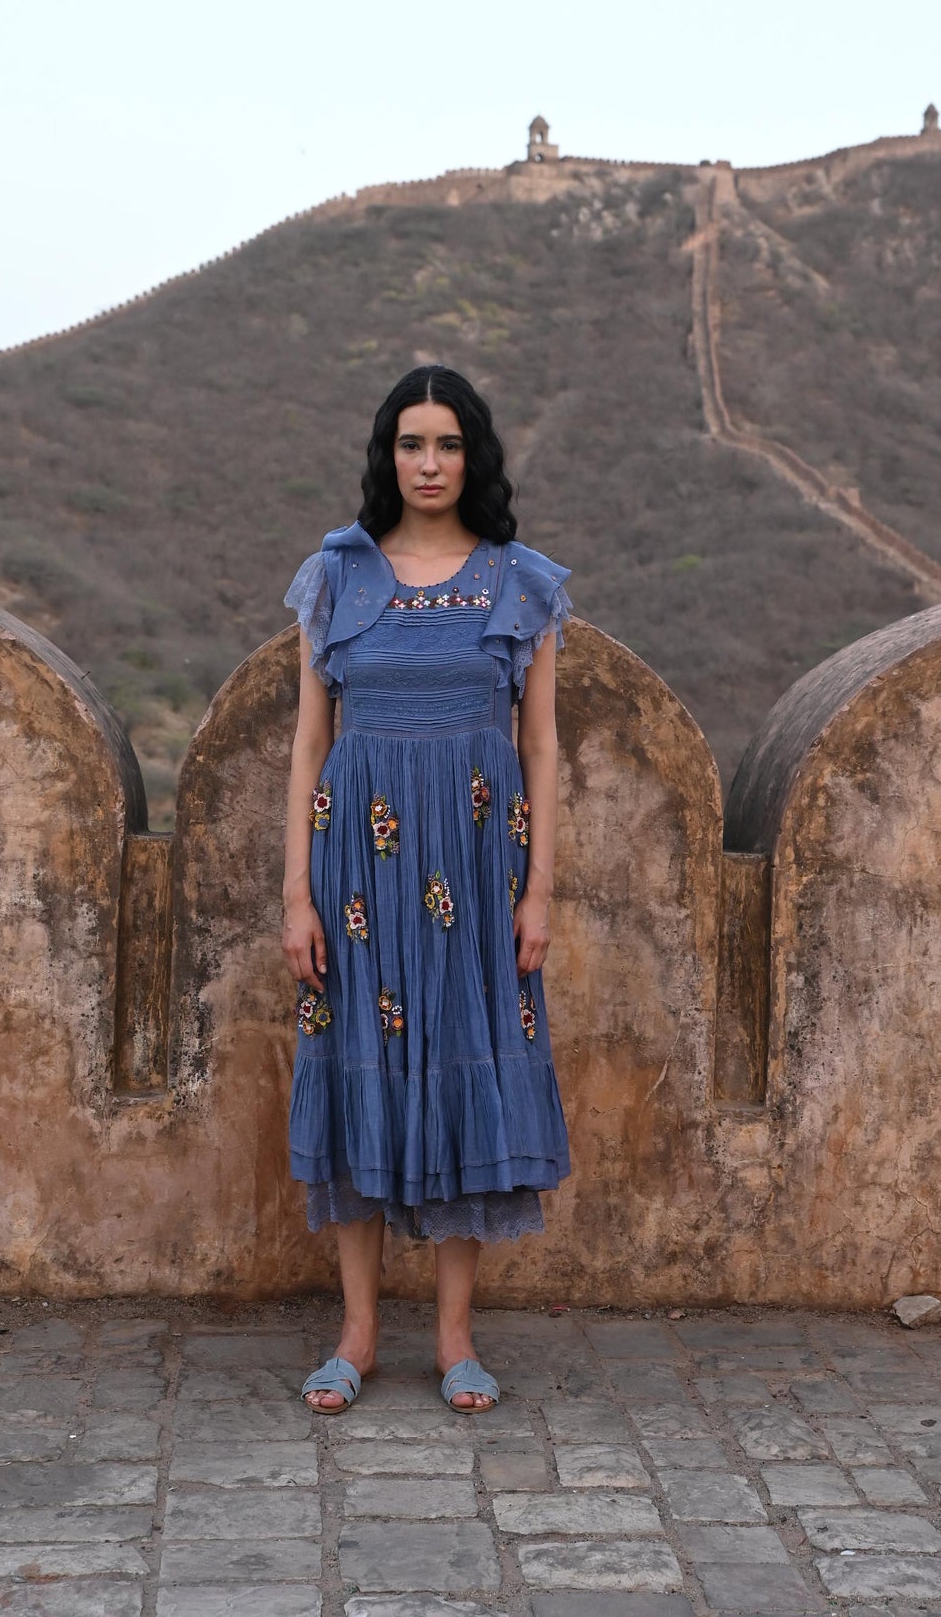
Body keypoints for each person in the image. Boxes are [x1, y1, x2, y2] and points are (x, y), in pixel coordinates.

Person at [280, 365, 571, 1414]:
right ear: (387, 455)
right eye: (412, 443)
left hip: (477, 867)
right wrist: (295, 897)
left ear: (474, 455)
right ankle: (356, 1334)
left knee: (462, 1071)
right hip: (354, 866)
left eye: (448, 444)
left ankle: (453, 1338)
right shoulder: (336, 578)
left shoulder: (520, 583)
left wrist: (538, 891)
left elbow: (538, 746)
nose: (430, 463)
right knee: (356, 1074)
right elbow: (311, 742)